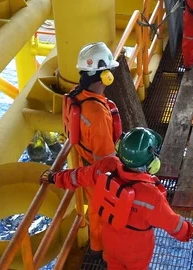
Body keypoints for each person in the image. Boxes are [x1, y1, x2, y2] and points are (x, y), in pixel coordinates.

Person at [40, 127, 193, 269]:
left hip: (110, 241)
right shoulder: (151, 197)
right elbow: (174, 224)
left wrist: (54, 178)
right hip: (136, 251)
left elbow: (79, 176)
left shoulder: (108, 166)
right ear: (150, 164)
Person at [65, 42, 120, 258]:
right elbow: (106, 159)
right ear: (106, 76)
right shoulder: (97, 113)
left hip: (83, 162)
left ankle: (96, 249)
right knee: (105, 212)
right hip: (98, 172)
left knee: (95, 210)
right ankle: (105, 252)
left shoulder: (76, 95)